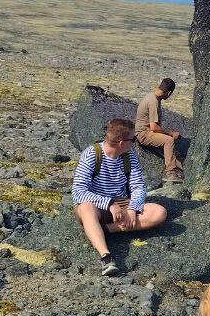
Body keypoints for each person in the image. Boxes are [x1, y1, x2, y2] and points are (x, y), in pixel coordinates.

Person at [72, 117, 168, 276]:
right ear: (122, 142)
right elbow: (78, 192)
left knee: (159, 212)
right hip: (96, 204)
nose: (135, 143)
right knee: (85, 208)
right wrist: (109, 203)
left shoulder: (129, 157)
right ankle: (106, 257)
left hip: (123, 203)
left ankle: (103, 230)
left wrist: (132, 209)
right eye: (133, 139)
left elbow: (138, 187)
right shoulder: (91, 154)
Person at [135, 77, 184, 180]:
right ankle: (170, 173)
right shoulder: (153, 101)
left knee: (172, 144)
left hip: (146, 131)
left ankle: (178, 167)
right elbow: (154, 127)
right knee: (169, 141)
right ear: (169, 92)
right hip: (144, 133)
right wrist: (171, 133)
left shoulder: (152, 96)